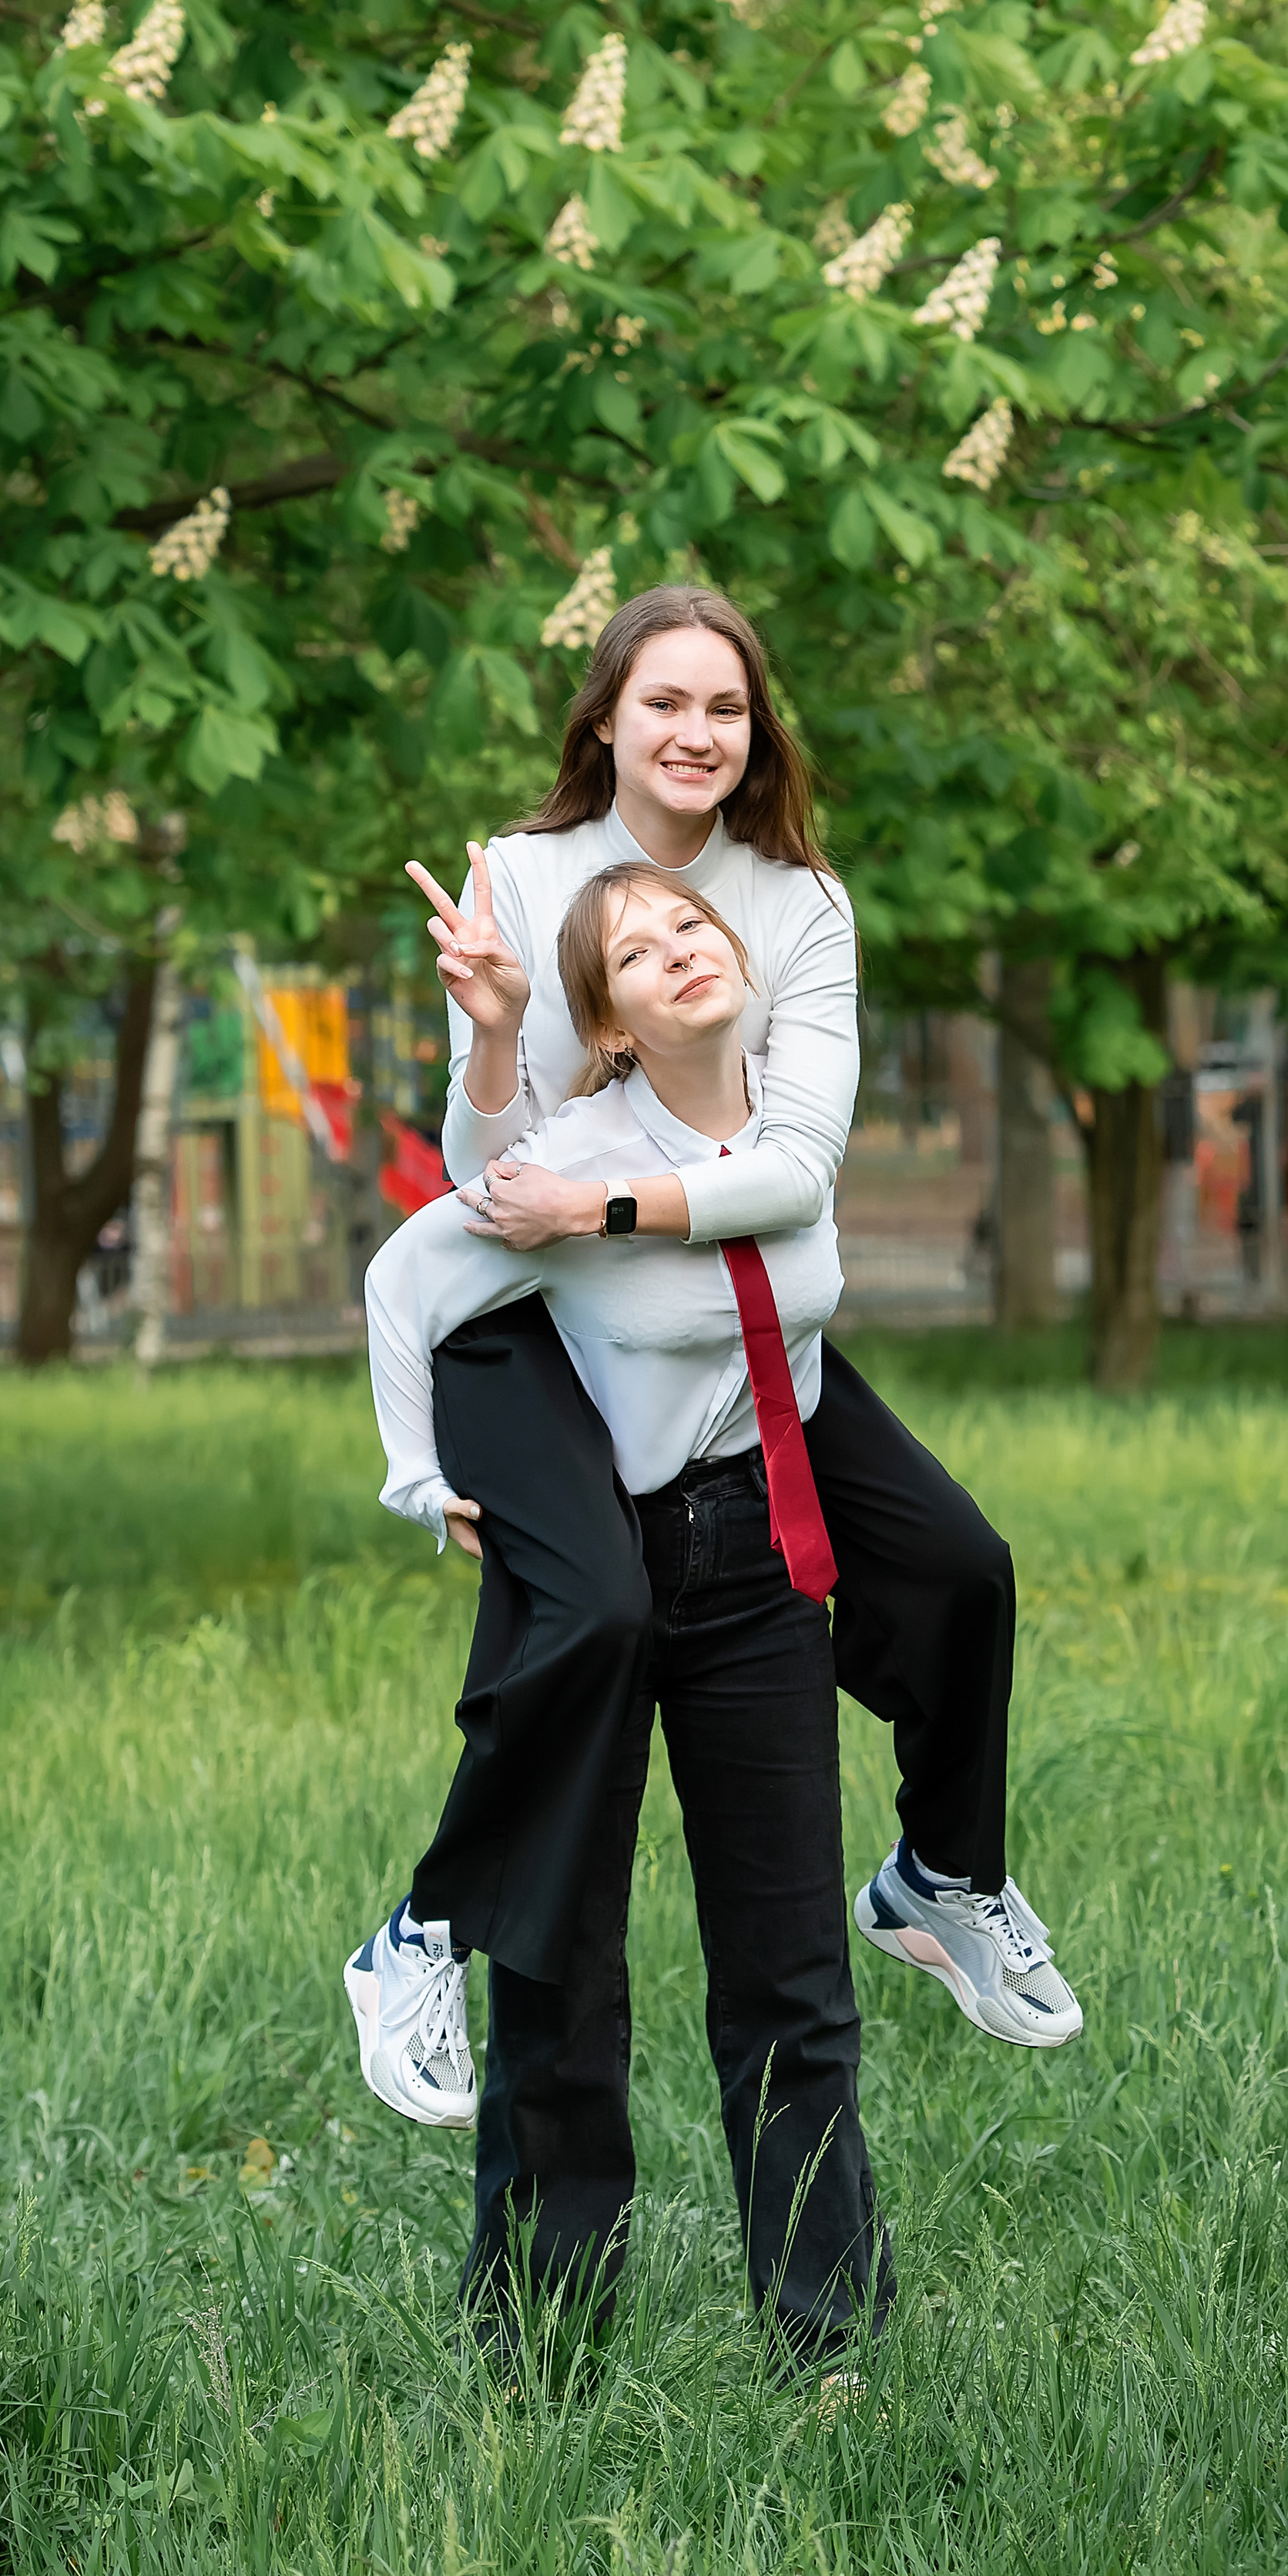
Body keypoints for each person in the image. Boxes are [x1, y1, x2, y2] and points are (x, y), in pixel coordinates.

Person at [364, 584, 1080, 2114]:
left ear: (754, 733)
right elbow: (483, 1177)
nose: (696, 732)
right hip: (532, 1332)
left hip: (721, 1305)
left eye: (725, 707)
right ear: (603, 721)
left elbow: (795, 1166)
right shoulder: (523, 872)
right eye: (664, 703)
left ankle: (939, 1873)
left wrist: (602, 1203)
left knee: (958, 1565)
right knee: (596, 1622)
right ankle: (430, 1932)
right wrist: (493, 1032)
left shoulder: (795, 901)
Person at [352, 865, 887, 2354]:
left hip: (765, 1563)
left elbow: (790, 1224)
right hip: (607, 1551)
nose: (679, 954)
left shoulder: (796, 1116)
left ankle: (828, 2344)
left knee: (791, 1978)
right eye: (638, 955)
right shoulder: (572, 1156)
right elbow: (405, 1277)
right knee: (559, 1973)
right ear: (615, 1024)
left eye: (692, 928)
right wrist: (416, 1474)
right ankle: (539, 2349)